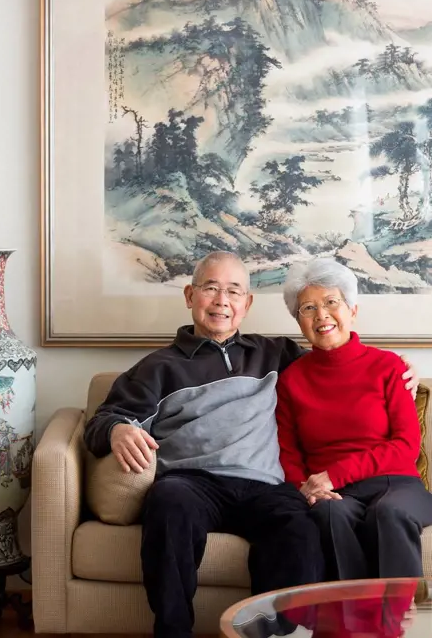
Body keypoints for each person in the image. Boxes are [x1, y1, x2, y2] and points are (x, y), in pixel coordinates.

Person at [84, 251, 418, 638]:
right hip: (194, 483)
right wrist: (117, 430)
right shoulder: (157, 368)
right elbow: (101, 421)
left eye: (234, 291)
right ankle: (172, 631)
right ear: (190, 295)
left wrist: (400, 366)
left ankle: (272, 634)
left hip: (266, 487)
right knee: (167, 502)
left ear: (248, 303)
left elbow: (336, 358)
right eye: (211, 288)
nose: (222, 301)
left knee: (301, 528)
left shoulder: (277, 353)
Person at [276, 257, 432, 582]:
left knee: (387, 514)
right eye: (307, 308)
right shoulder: (291, 380)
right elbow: (288, 453)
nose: (321, 315)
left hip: (396, 483)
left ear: (352, 310)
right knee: (327, 513)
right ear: (299, 321)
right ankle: (347, 627)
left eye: (331, 302)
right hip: (334, 494)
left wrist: (334, 474)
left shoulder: (388, 366)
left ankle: (392, 627)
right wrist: (306, 489)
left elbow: (406, 445)